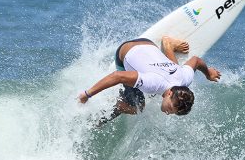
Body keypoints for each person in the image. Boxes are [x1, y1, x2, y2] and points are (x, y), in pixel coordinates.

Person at [78, 36, 221, 124]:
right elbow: (117, 76)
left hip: (147, 43)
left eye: (173, 112)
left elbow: (195, 60)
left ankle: (168, 44)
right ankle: (104, 116)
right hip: (123, 52)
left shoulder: (184, 80)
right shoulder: (152, 84)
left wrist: (208, 73)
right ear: (170, 94)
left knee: (175, 70)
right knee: (137, 108)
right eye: (170, 108)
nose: (168, 113)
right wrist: (87, 94)